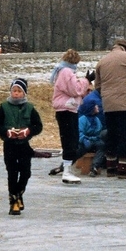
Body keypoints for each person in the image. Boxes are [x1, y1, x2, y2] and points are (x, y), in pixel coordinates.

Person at [0, 78, 43, 215]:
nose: (16, 93)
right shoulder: (4, 107)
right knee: (12, 173)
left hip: (24, 146)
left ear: (24, 93)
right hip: (9, 145)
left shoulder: (30, 108)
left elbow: (38, 126)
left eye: (19, 91)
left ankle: (19, 193)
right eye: (14, 90)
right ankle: (13, 201)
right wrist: (7, 132)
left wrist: (28, 131)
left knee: (26, 172)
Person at [94, 39, 126, 179]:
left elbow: (98, 85)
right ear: (125, 48)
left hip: (108, 103)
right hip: (124, 102)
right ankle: (123, 169)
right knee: (124, 134)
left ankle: (110, 167)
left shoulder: (102, 61)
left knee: (112, 134)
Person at [77, 89, 126, 176]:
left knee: (117, 133)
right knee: (117, 133)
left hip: (95, 132)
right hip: (90, 134)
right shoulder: (97, 101)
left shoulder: (98, 98)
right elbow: (105, 121)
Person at [49, 49, 93, 184]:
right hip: (66, 110)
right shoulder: (67, 72)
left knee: (71, 140)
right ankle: (67, 172)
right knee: (70, 141)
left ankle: (67, 170)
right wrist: (86, 80)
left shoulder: (62, 71)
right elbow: (75, 90)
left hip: (67, 109)